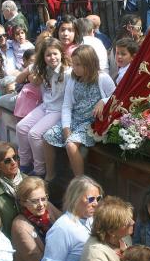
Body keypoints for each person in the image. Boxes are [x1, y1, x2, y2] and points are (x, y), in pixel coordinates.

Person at [43, 45, 115, 179]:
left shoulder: (102, 78)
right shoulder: (73, 78)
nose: (74, 68)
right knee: (47, 137)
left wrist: (103, 101)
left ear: (89, 64)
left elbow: (116, 96)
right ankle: (50, 175)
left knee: (71, 145)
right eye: (73, 64)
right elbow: (67, 105)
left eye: (78, 65)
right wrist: (66, 127)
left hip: (90, 124)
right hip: (75, 118)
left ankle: (80, 182)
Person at [36, 176, 102, 261]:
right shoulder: (62, 229)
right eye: (91, 199)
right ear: (76, 198)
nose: (96, 204)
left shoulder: (90, 220)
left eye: (98, 198)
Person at [15, 38, 69, 177]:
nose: (52, 58)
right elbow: (18, 79)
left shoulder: (67, 72)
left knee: (35, 134)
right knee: (21, 127)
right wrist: (29, 72)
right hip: (46, 105)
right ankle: (25, 164)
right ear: (43, 57)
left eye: (55, 54)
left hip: (58, 109)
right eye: (48, 55)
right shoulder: (42, 68)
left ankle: (40, 171)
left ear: (61, 54)